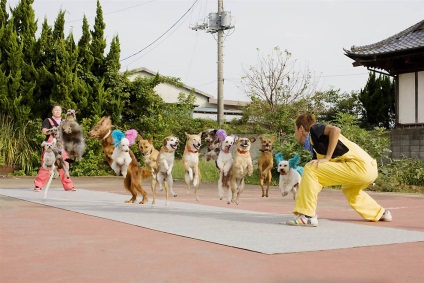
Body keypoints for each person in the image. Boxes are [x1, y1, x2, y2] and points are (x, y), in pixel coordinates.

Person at [286, 113, 391, 227]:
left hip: (359, 166)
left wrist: (327, 157)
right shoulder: (317, 148)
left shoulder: (314, 130)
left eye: (295, 130)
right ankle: (380, 213)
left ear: (301, 129)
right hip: (368, 168)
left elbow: (335, 130)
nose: (295, 134)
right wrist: (305, 191)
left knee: (311, 168)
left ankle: (308, 217)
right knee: (350, 190)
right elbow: (316, 181)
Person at [34, 105, 76, 192]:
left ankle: (68, 185)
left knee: (65, 165)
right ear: (52, 111)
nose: (57, 111)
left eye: (59, 110)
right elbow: (44, 131)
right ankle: (38, 185)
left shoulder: (64, 121)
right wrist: (52, 130)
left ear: (61, 112)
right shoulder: (48, 120)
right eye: (55, 110)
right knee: (47, 164)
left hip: (62, 146)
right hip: (51, 145)